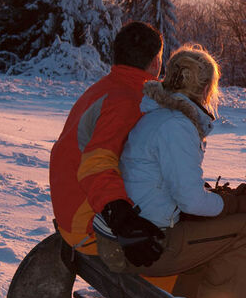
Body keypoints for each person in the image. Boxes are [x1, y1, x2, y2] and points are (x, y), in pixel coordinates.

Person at [95, 44, 246, 298]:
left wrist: (222, 199)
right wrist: (239, 205)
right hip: (145, 246)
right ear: (206, 87)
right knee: (243, 229)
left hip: (128, 238)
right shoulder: (177, 126)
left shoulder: (156, 116)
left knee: (211, 231)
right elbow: (191, 202)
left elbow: (171, 188)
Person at [50, 22, 167, 267]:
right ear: (156, 62)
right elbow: (97, 164)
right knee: (188, 246)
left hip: (70, 212)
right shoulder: (128, 100)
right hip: (87, 225)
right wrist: (122, 219)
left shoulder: (105, 88)